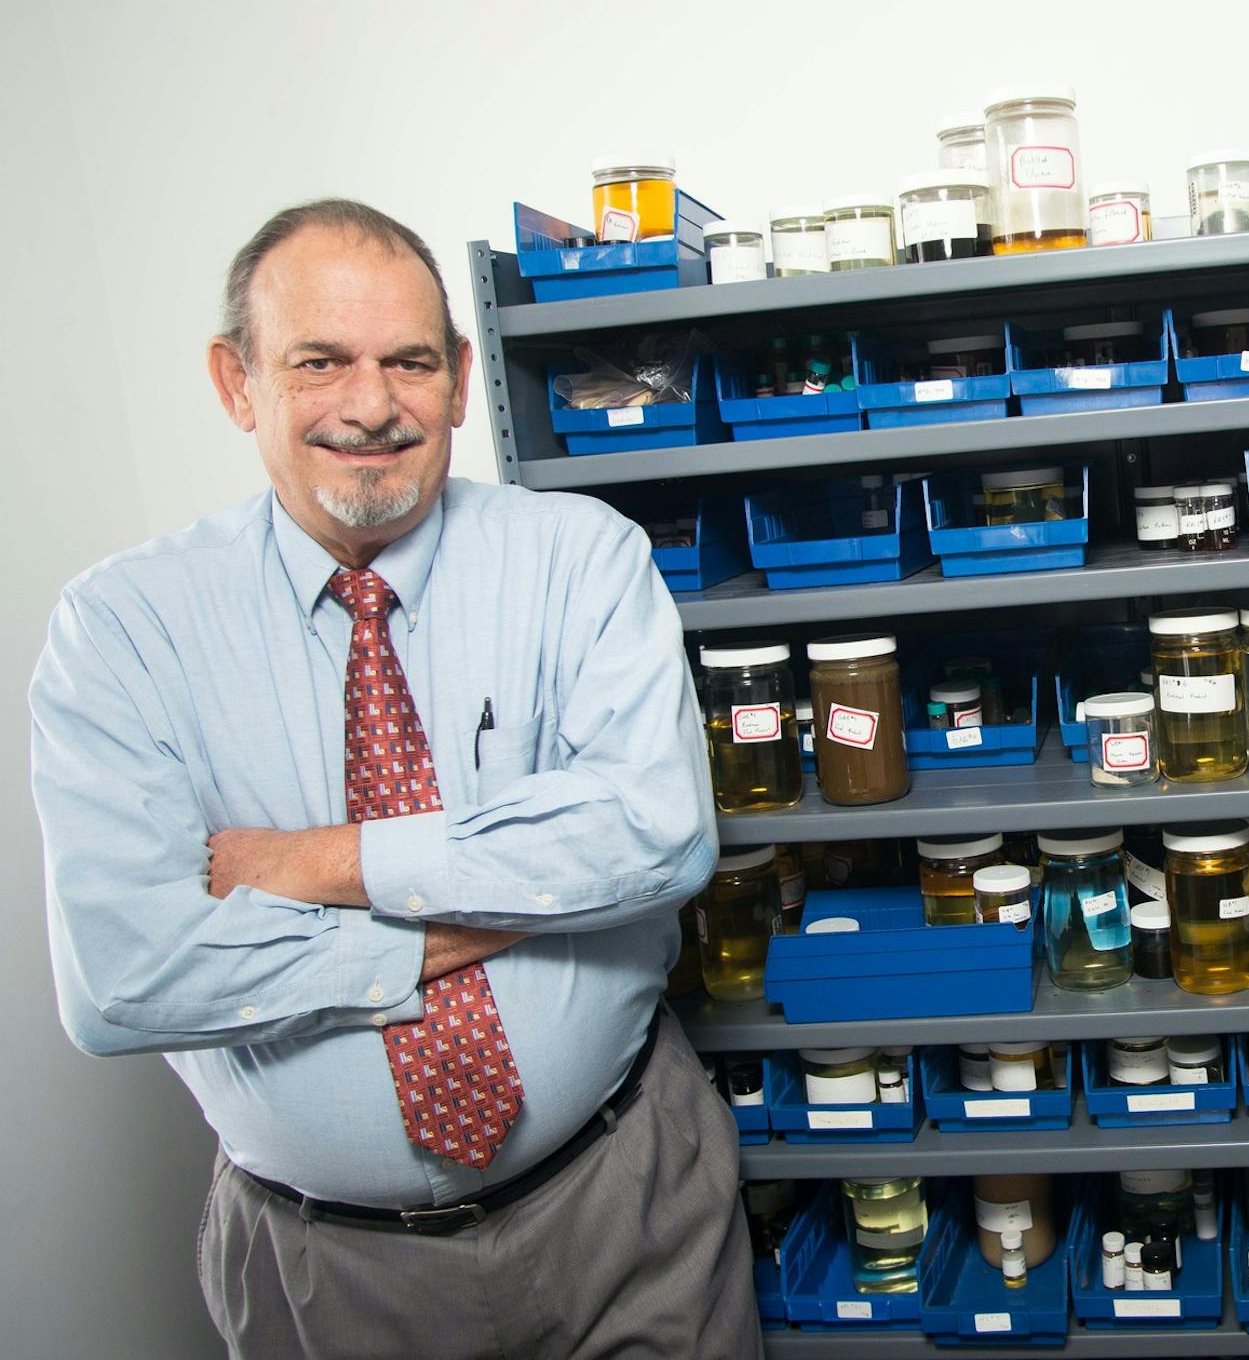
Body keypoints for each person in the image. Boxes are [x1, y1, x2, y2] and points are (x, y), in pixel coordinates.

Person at [30, 199, 760, 1358]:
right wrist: (461, 925)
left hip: (629, 1206)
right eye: (319, 361)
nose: (371, 406)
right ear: (238, 381)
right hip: (329, 1271)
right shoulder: (121, 630)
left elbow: (657, 836)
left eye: (409, 362)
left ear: (463, 379)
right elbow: (124, 977)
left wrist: (309, 865)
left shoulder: (579, 556)